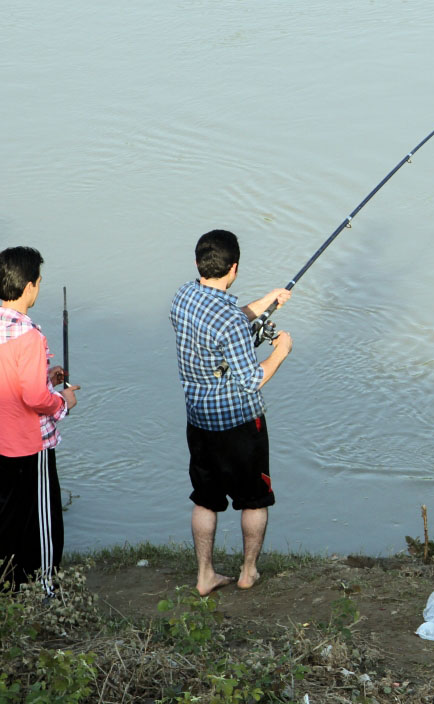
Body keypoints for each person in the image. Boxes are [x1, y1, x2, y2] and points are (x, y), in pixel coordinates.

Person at [170, 229, 293, 595]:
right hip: (240, 424)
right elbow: (252, 379)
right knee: (253, 499)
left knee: (205, 498)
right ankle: (247, 572)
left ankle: (204, 575)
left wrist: (265, 301)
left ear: (198, 263)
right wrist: (282, 349)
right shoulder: (232, 322)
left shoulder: (183, 297)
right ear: (234, 268)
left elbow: (222, 321)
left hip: (199, 420)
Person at [0, 246, 80, 596]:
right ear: (30, 286)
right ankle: (47, 588)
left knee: (4, 515)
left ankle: (2, 585)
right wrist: (63, 400)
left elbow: (7, 380)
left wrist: (45, 375)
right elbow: (34, 399)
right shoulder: (30, 337)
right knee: (45, 519)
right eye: (39, 282)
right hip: (32, 445)